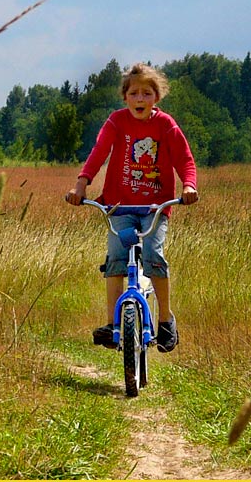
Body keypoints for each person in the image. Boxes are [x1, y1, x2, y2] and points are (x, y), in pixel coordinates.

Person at [65, 62, 198, 353]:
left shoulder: (165, 125)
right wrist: (81, 184)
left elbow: (184, 160)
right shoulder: (116, 122)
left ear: (156, 98)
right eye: (134, 93)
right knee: (116, 258)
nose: (140, 99)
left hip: (155, 207)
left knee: (153, 254)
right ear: (125, 96)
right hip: (119, 207)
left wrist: (189, 185)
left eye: (147, 93)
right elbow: (98, 152)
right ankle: (114, 324)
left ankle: (165, 321)